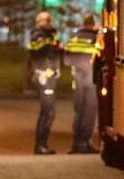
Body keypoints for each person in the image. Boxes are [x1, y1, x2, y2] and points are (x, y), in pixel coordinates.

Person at [63, 13, 101, 154]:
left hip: (77, 79)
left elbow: (66, 61)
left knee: (78, 111)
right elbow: (100, 56)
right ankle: (85, 142)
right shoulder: (96, 39)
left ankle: (75, 143)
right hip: (91, 79)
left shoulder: (73, 38)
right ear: (92, 24)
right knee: (90, 111)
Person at [28, 11, 62, 155]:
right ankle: (40, 145)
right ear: (39, 22)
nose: (47, 22)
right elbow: (38, 51)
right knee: (48, 112)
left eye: (49, 20)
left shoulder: (49, 36)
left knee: (48, 112)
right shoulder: (38, 36)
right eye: (44, 20)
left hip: (49, 77)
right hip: (44, 78)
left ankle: (42, 144)